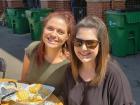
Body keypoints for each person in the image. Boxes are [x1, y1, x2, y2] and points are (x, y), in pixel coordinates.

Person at [62, 16, 135, 105]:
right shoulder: (70, 70)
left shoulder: (114, 75)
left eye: (91, 43)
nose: (83, 48)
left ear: (101, 45)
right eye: (78, 42)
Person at [21, 11, 75, 96]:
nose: (53, 34)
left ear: (67, 36)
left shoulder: (70, 62)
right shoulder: (33, 48)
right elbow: (23, 82)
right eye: (50, 28)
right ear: (44, 29)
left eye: (60, 32)